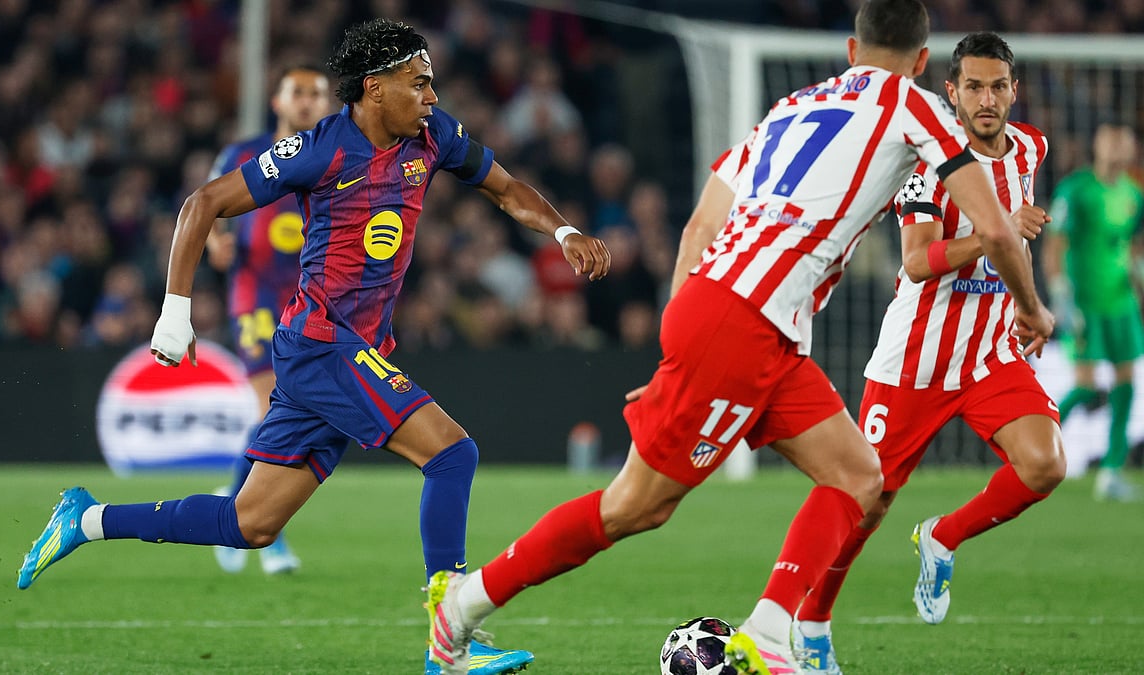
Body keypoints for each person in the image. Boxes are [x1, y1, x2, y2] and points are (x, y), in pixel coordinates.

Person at [423, 2, 1055, 674]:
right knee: (634, 506)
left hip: (745, 318)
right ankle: (458, 613)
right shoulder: (920, 107)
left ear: (851, 50)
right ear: (925, 61)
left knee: (858, 474)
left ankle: (771, 634)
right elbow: (993, 228)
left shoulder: (792, 106)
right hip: (744, 318)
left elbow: (698, 227)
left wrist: (680, 344)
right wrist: (1032, 309)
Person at [17, 19, 610, 675]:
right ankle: (451, 638)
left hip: (343, 351)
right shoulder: (318, 150)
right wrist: (175, 310)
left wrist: (562, 231)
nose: (433, 98)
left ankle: (87, 519)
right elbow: (203, 202)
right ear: (374, 88)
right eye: (419, 84)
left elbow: (504, 189)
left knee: (251, 524)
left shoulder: (434, 136)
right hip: (324, 343)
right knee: (452, 453)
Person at [789, 32, 1067, 674]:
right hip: (914, 361)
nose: (987, 98)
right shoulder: (928, 165)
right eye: (973, 86)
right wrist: (995, 230)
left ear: (1013, 90)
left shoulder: (1030, 146)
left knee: (1045, 465)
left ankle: (943, 536)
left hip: (992, 353)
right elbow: (917, 262)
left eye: (998, 86)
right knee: (867, 499)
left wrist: (1022, 285)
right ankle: (812, 621)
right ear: (951, 91)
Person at [202, 64, 333, 576]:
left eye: (315, 95)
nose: (305, 102)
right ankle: (259, 527)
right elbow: (207, 204)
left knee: (292, 409)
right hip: (256, 294)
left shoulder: (335, 154)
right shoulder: (242, 154)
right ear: (277, 102)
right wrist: (215, 241)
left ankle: (237, 506)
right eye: (297, 93)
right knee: (272, 401)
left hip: (312, 298)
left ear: (327, 105)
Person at [1045, 123, 1144, 502]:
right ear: (1097, 143)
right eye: (1110, 138)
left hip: (1121, 304)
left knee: (1126, 382)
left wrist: (1138, 282)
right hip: (1084, 302)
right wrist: (1059, 296)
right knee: (1085, 384)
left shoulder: (1133, 194)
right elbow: (1055, 245)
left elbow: (1131, 246)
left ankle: (1112, 471)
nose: (1118, 145)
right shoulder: (1077, 189)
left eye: (1124, 138)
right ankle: (1030, 453)